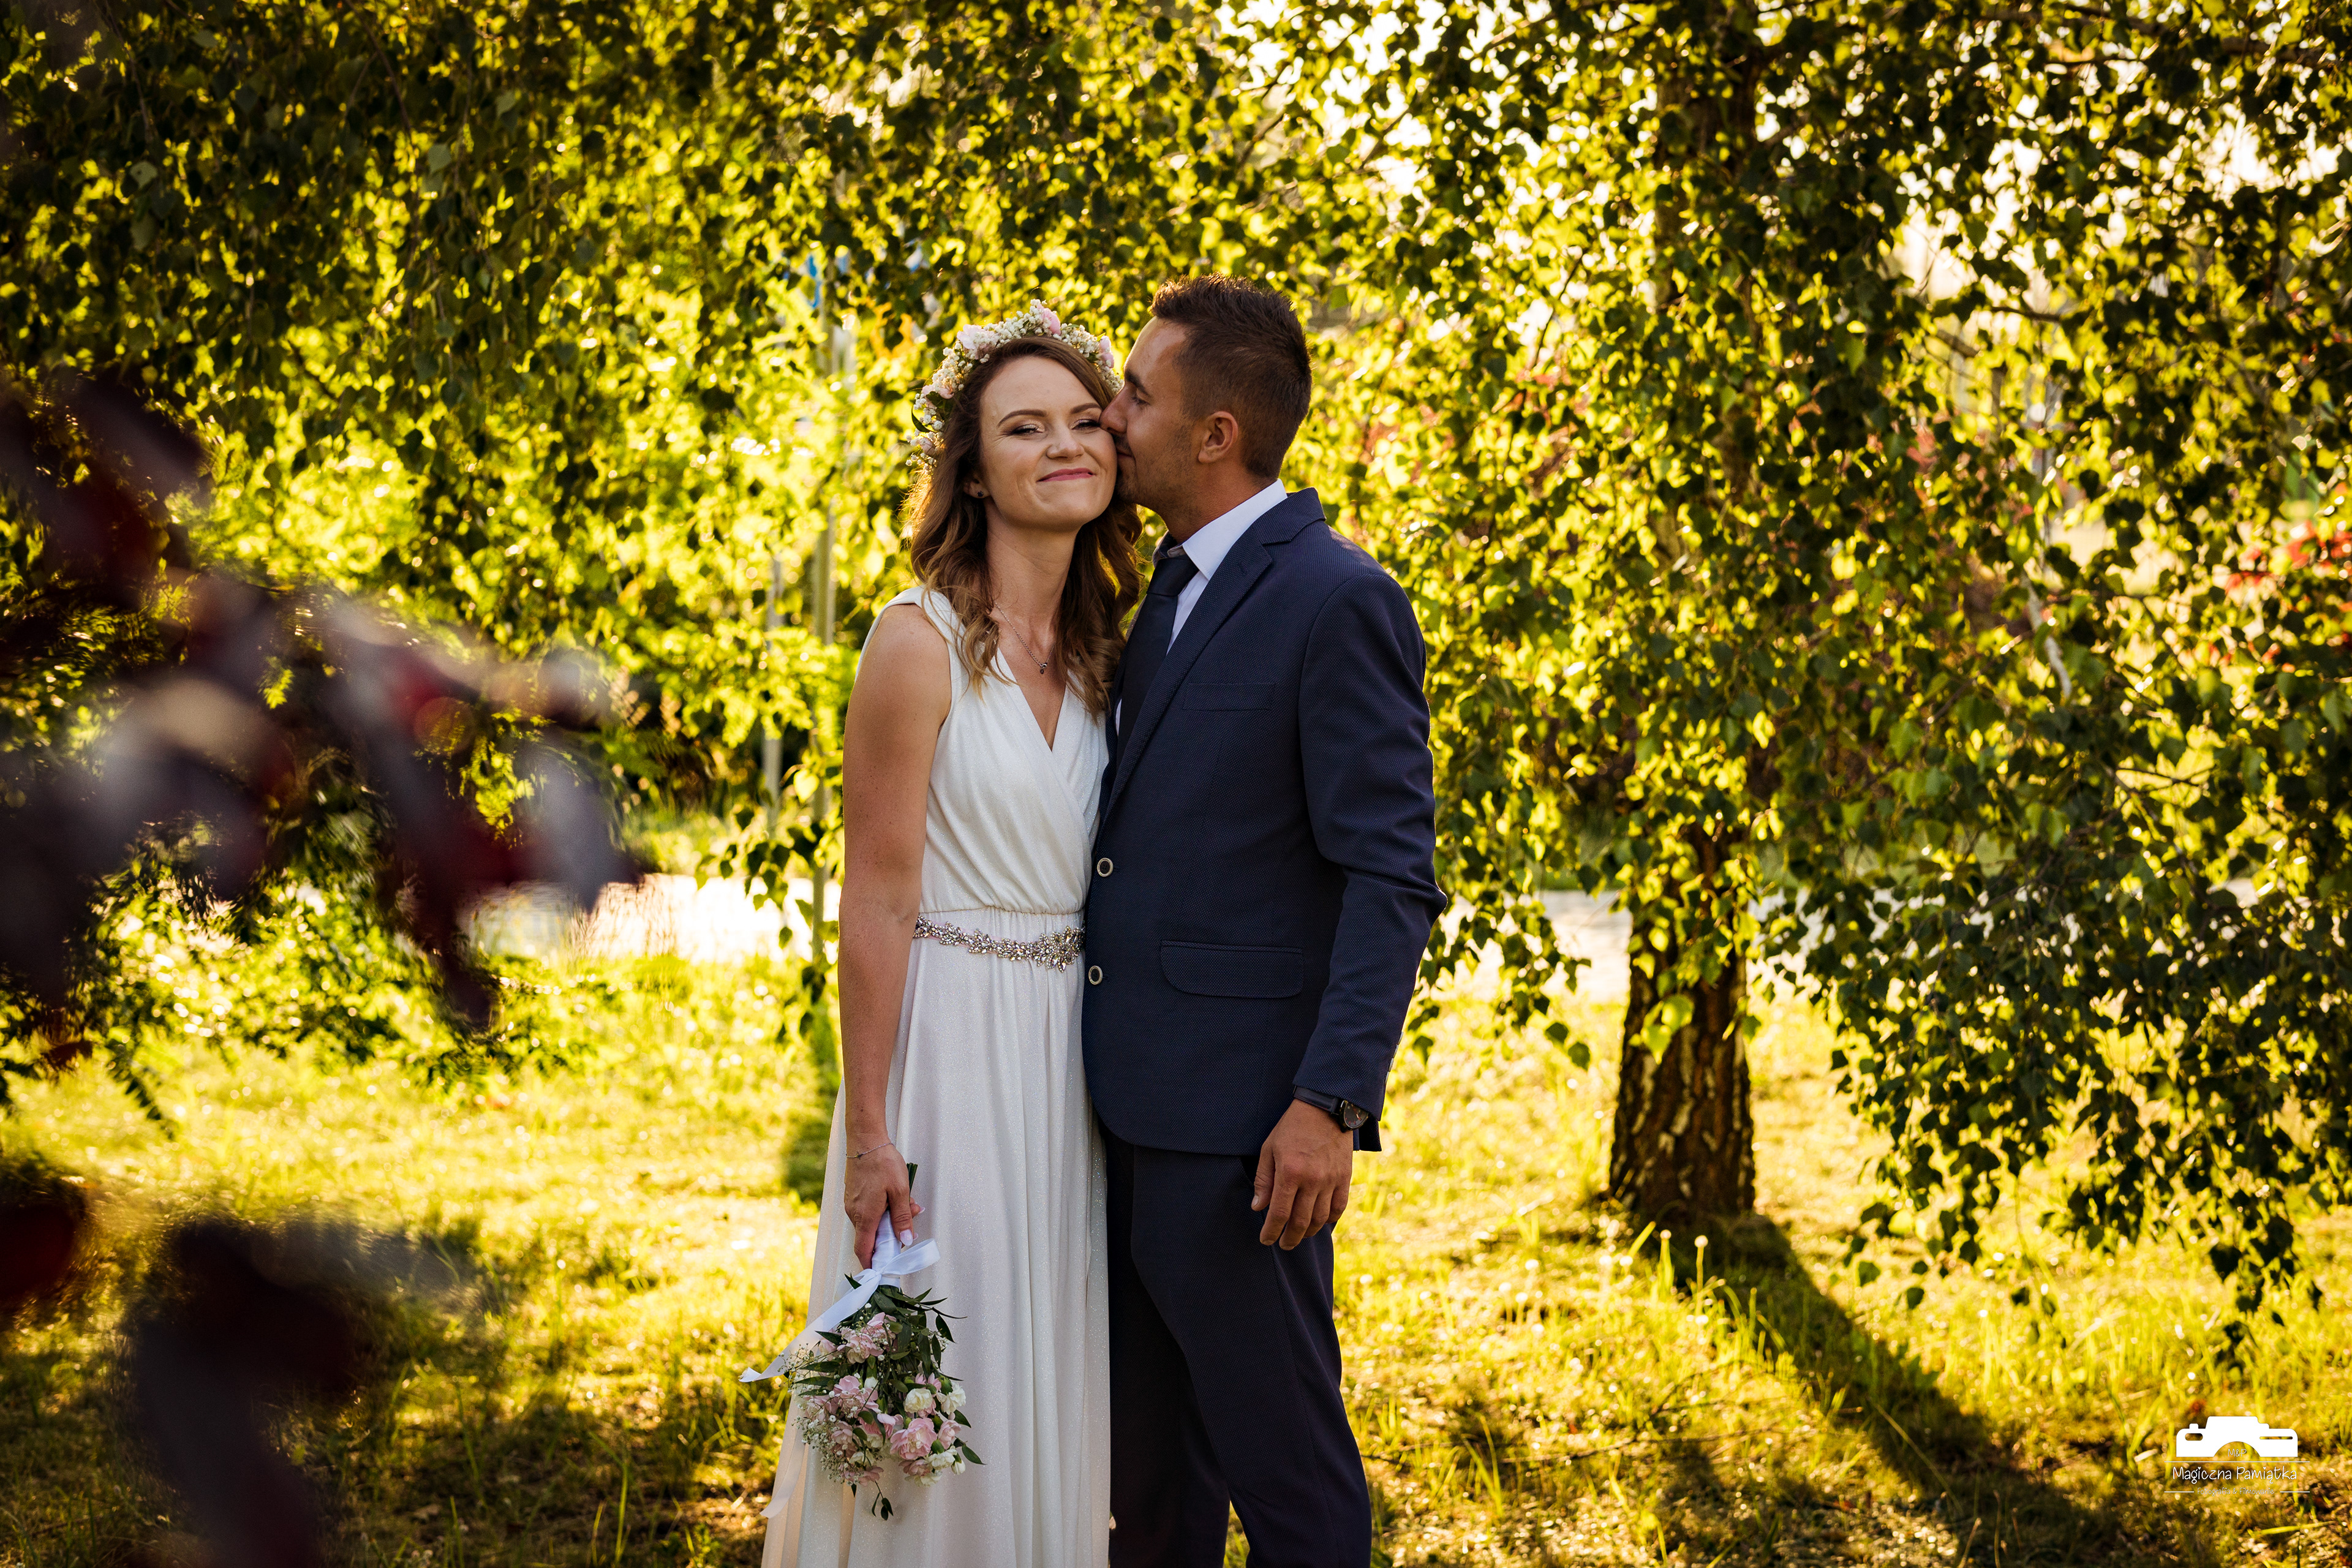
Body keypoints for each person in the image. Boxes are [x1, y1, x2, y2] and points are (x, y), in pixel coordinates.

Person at [760, 305, 1140, 1566]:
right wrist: (871, 1129)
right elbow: (875, 898)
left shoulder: (1112, 651)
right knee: (940, 1370)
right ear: (973, 472)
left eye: (1084, 420)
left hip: (1072, 1066)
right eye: (1024, 428)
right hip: (949, 1054)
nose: (1064, 446)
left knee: (1044, 1369)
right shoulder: (913, 640)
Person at [1085, 276, 1444, 1567]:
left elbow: (1391, 873)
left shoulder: (1336, 598)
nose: (1111, 415)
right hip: (1123, 1116)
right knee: (1152, 1491)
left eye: (1135, 394)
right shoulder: (1160, 588)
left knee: (1288, 1477)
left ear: (1216, 433)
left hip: (1248, 1134)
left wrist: (1327, 1103)